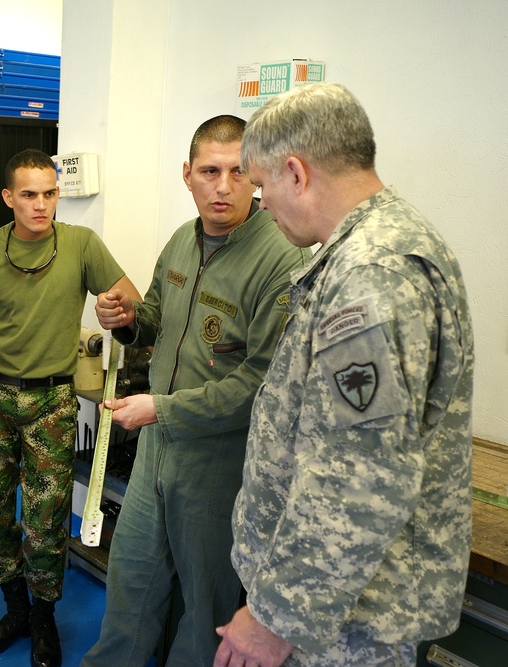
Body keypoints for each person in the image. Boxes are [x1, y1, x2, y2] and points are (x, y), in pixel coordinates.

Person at [214, 82, 474, 667]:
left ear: (296, 174)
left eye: (260, 186)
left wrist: (274, 618)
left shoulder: (372, 274)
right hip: (334, 600)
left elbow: (357, 476)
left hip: (340, 619)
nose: (260, 204)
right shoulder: (375, 245)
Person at [81, 116, 309, 667]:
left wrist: (161, 408)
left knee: (205, 604)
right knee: (132, 578)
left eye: (237, 172)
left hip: (219, 458)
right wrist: (128, 318)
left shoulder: (280, 259)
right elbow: (157, 318)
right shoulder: (183, 241)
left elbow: (260, 384)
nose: (223, 186)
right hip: (156, 445)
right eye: (210, 171)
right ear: (188, 175)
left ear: (256, 176)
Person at [0, 148, 141, 667]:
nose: (41, 205)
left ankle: (43, 618)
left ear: (58, 194)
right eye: (30, 195)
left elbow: (131, 302)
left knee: (44, 519)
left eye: (50, 193)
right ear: (9, 198)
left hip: (50, 403)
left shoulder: (81, 244)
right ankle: (13, 607)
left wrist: (115, 309)